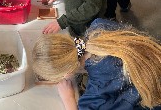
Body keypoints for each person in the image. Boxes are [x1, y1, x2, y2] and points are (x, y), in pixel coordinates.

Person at [33, 18, 161, 110]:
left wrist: (69, 99)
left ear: (67, 73)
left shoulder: (98, 89)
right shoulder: (98, 25)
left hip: (154, 97)